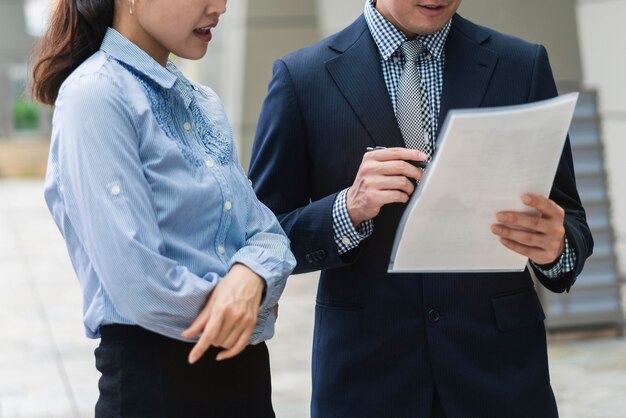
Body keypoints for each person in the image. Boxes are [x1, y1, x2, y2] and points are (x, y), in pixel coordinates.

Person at [249, 0, 593, 417]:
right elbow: (262, 237)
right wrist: (347, 209)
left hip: (502, 378)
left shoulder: (522, 64)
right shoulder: (301, 77)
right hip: (367, 378)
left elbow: (570, 219)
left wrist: (557, 248)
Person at [31, 0, 295, 417]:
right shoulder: (96, 94)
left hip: (245, 383)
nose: (220, 7)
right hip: (157, 385)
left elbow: (268, 234)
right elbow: (138, 281)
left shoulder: (202, 102)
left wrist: (249, 279)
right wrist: (253, 300)